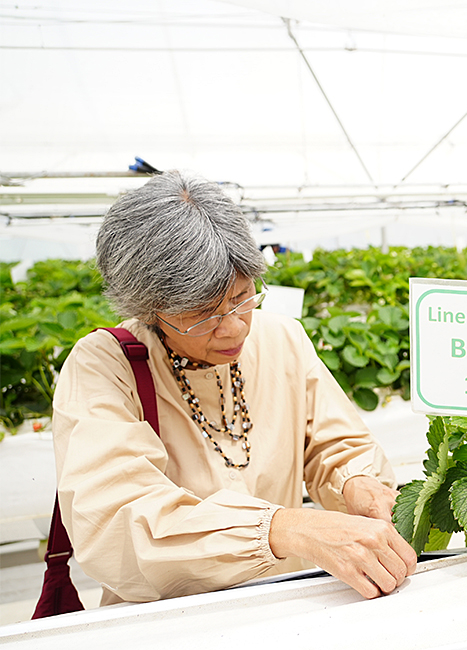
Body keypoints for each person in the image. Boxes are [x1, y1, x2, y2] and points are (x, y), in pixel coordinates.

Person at [52, 171, 416, 604]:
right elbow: (116, 522)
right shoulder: (105, 365)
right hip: (171, 622)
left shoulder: (281, 338)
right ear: (148, 307)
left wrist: (356, 481)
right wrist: (282, 529)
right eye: (204, 314)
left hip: (287, 600)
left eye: (243, 297)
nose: (234, 327)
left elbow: (335, 443)